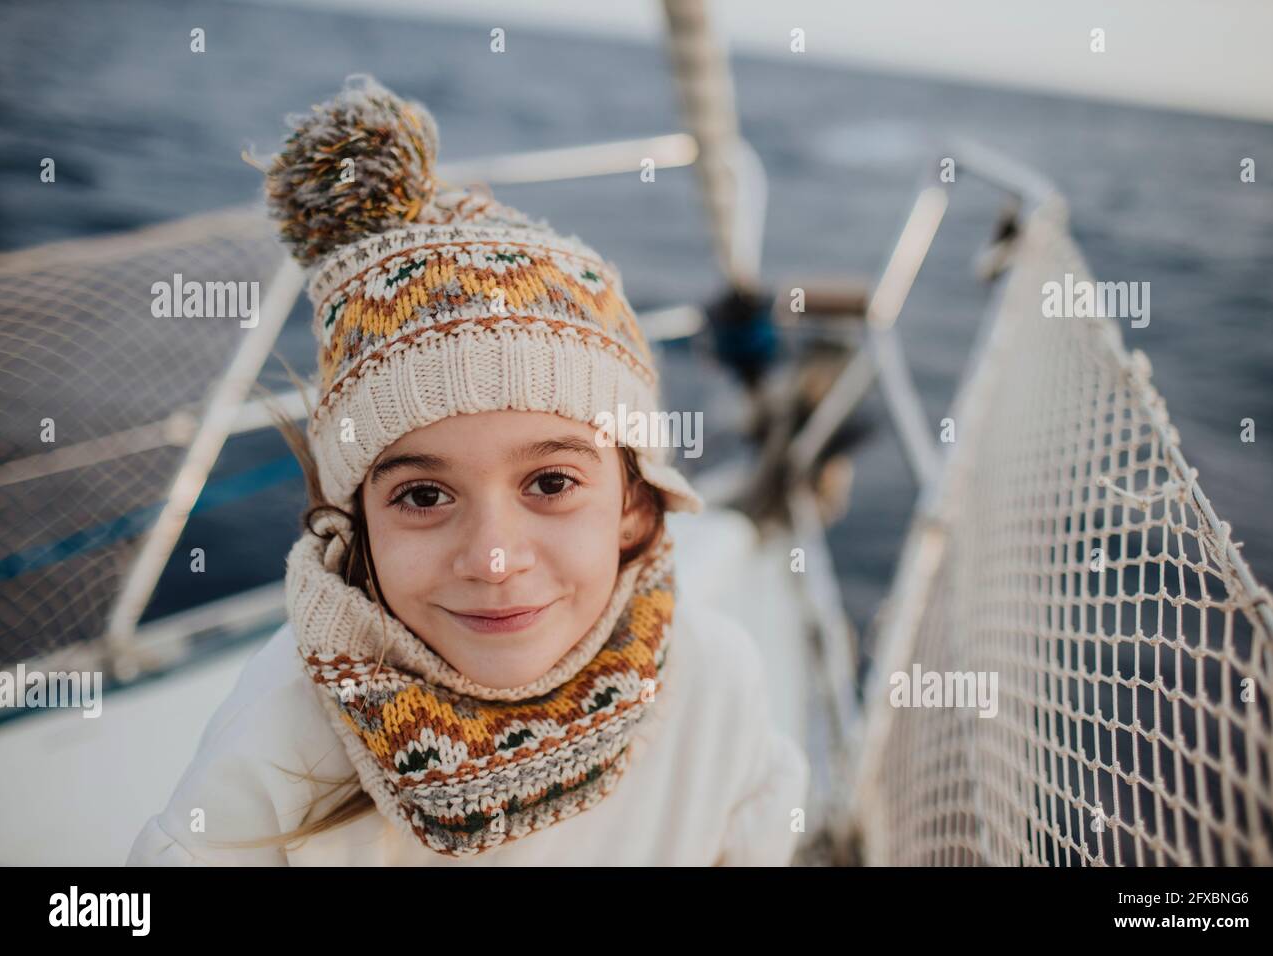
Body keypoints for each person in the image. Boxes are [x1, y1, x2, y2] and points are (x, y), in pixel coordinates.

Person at [126, 74, 808, 865]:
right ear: (358, 522)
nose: (492, 558)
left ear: (634, 499)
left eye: (551, 483)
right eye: (423, 495)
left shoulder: (714, 682)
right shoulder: (285, 743)